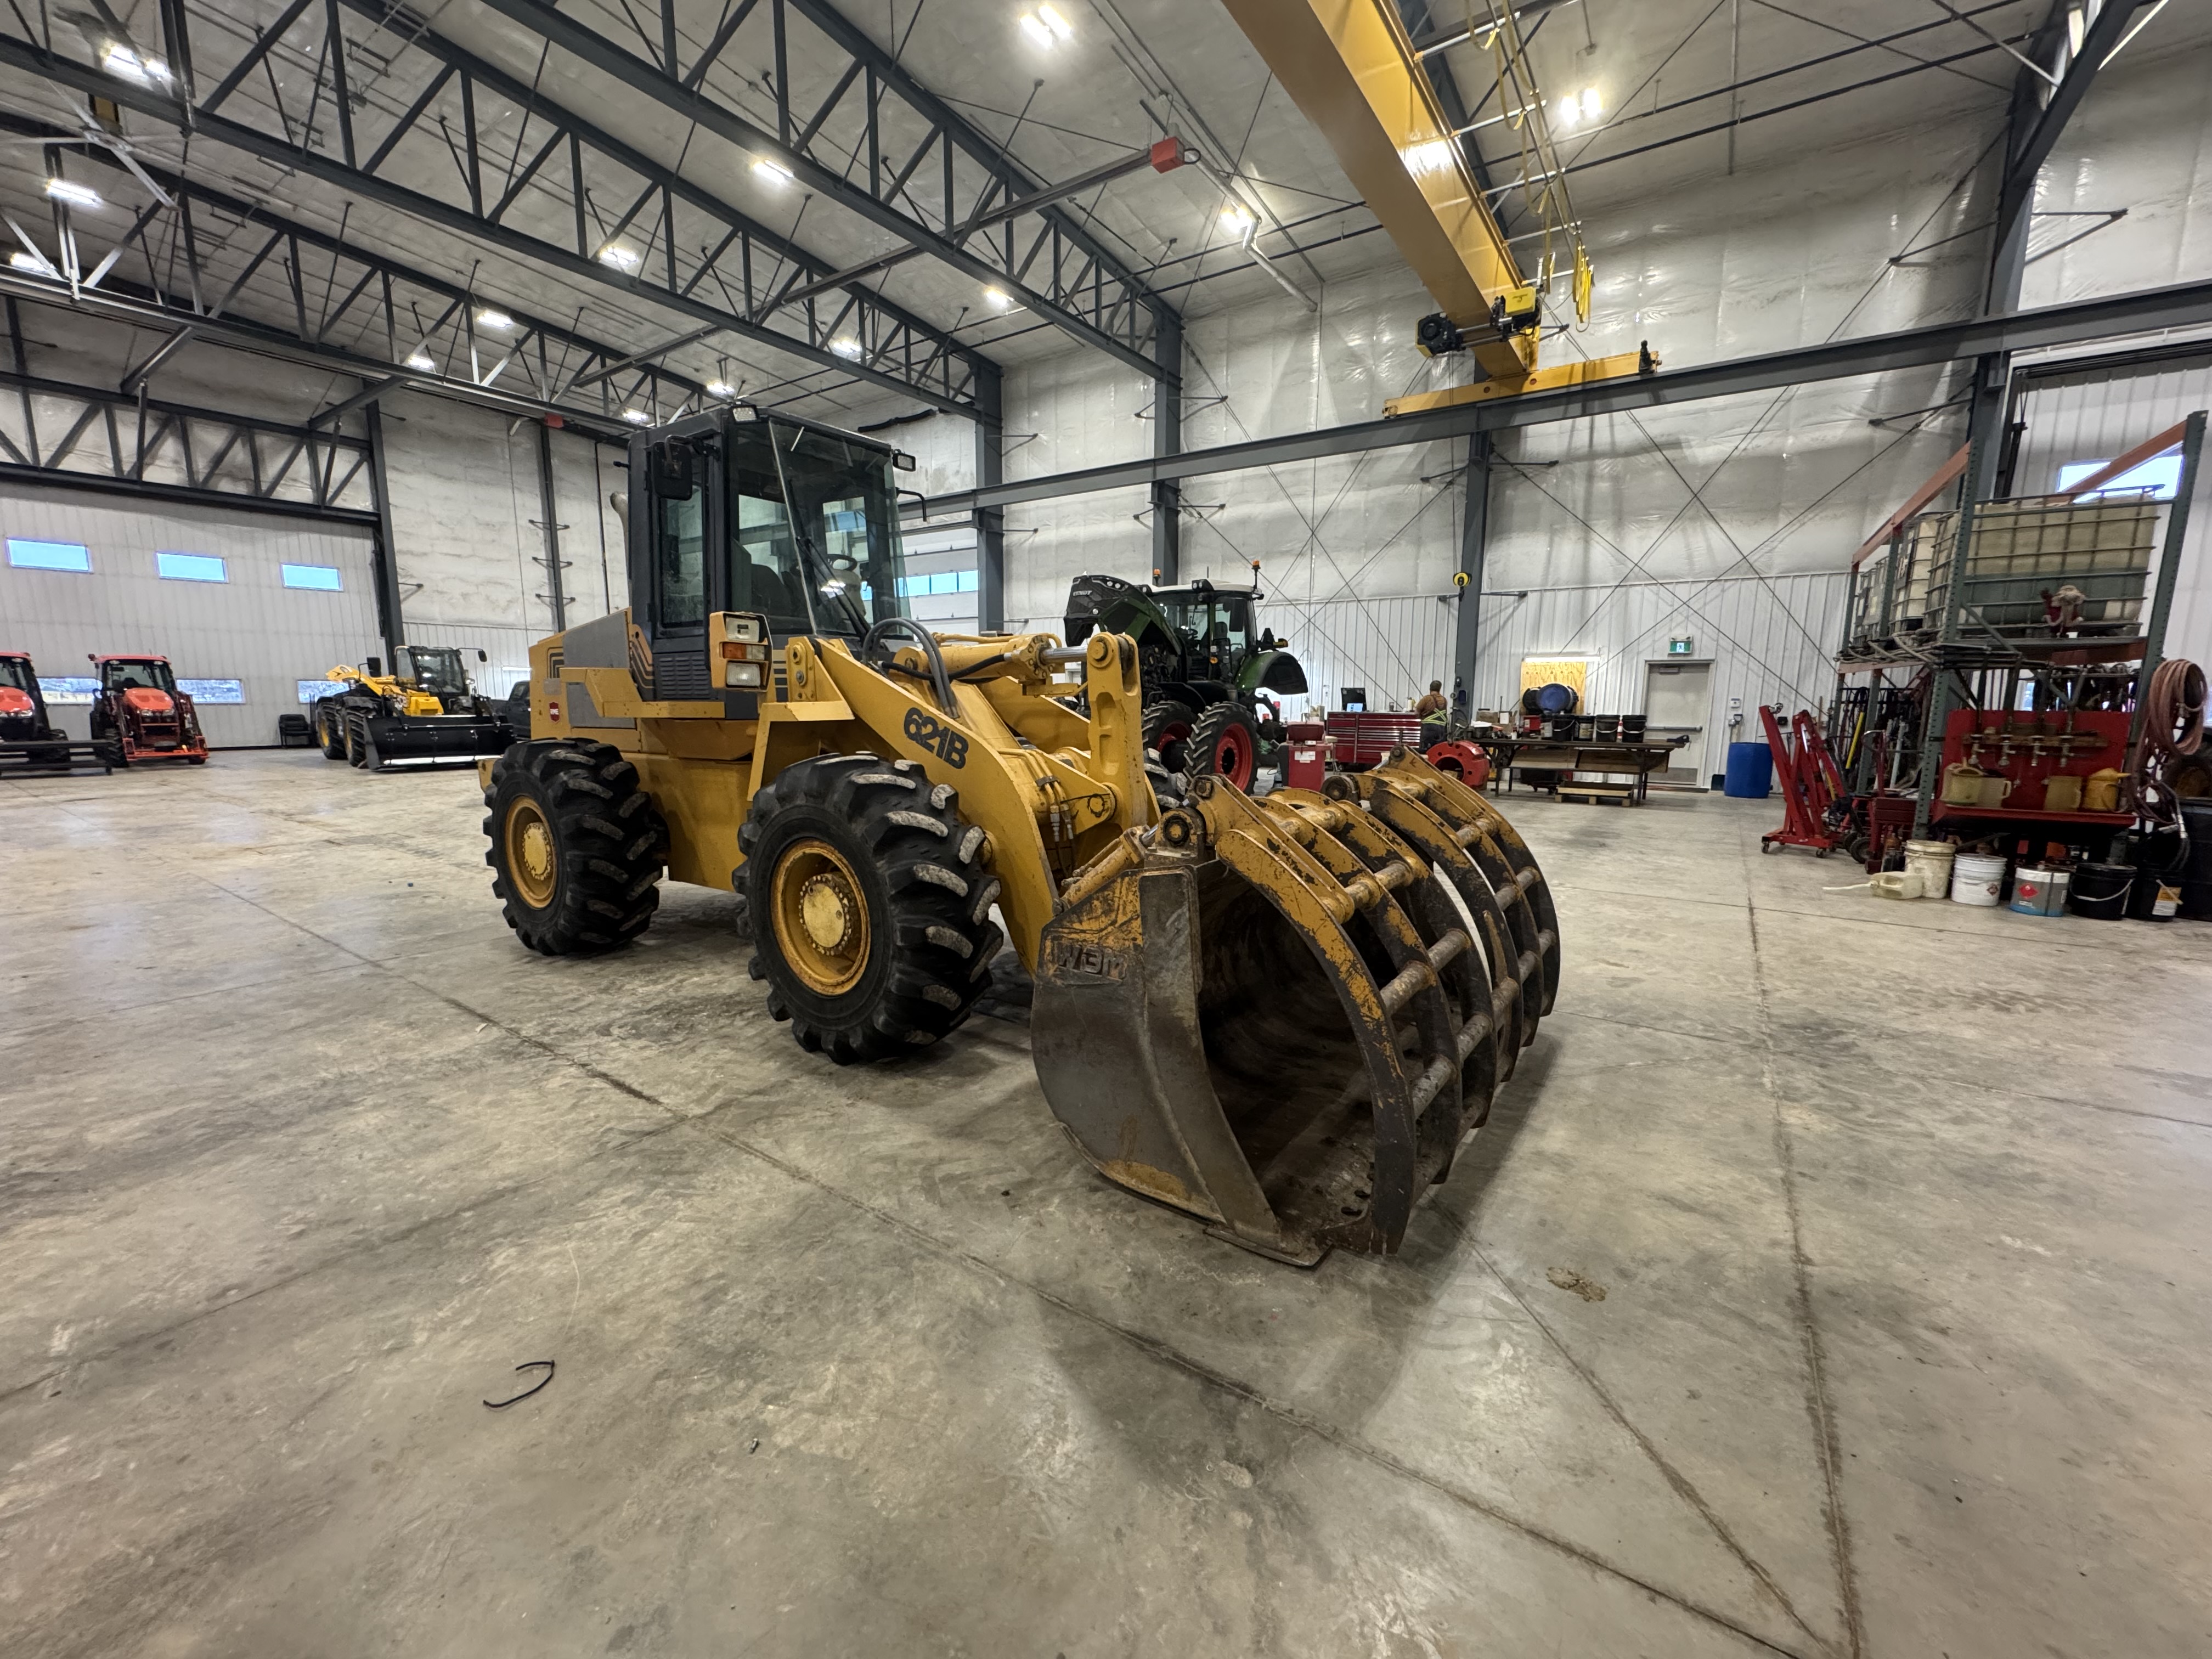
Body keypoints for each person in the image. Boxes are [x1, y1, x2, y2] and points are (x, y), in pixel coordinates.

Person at [1414, 679, 1448, 751]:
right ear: (1439, 689)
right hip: (1442, 729)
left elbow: (1416, 712)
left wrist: (1420, 716)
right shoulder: (1445, 700)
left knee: (1426, 750)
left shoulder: (1427, 699)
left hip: (1429, 729)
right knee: (1438, 750)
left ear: (1430, 689)